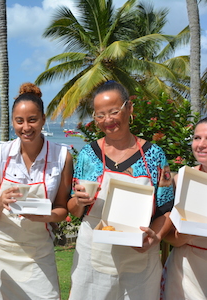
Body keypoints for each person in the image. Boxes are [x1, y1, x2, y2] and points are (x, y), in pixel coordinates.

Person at [68, 81, 174, 299]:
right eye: (100, 115)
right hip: (93, 255)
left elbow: (166, 209)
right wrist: (79, 202)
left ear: (129, 108)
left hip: (141, 257)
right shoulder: (88, 155)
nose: (108, 121)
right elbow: (73, 208)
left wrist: (156, 237)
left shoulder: (155, 155)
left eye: (114, 112)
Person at [0, 82, 73, 299]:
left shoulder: (62, 157)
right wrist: (0, 202)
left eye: (32, 120)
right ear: (13, 122)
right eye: (19, 121)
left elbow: (62, 209)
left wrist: (45, 216)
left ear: (43, 120)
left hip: (38, 252)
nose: (26, 127)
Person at [161, 117, 207, 299]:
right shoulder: (181, 179)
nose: (201, 145)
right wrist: (183, 236)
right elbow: (170, 235)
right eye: (197, 138)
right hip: (185, 271)